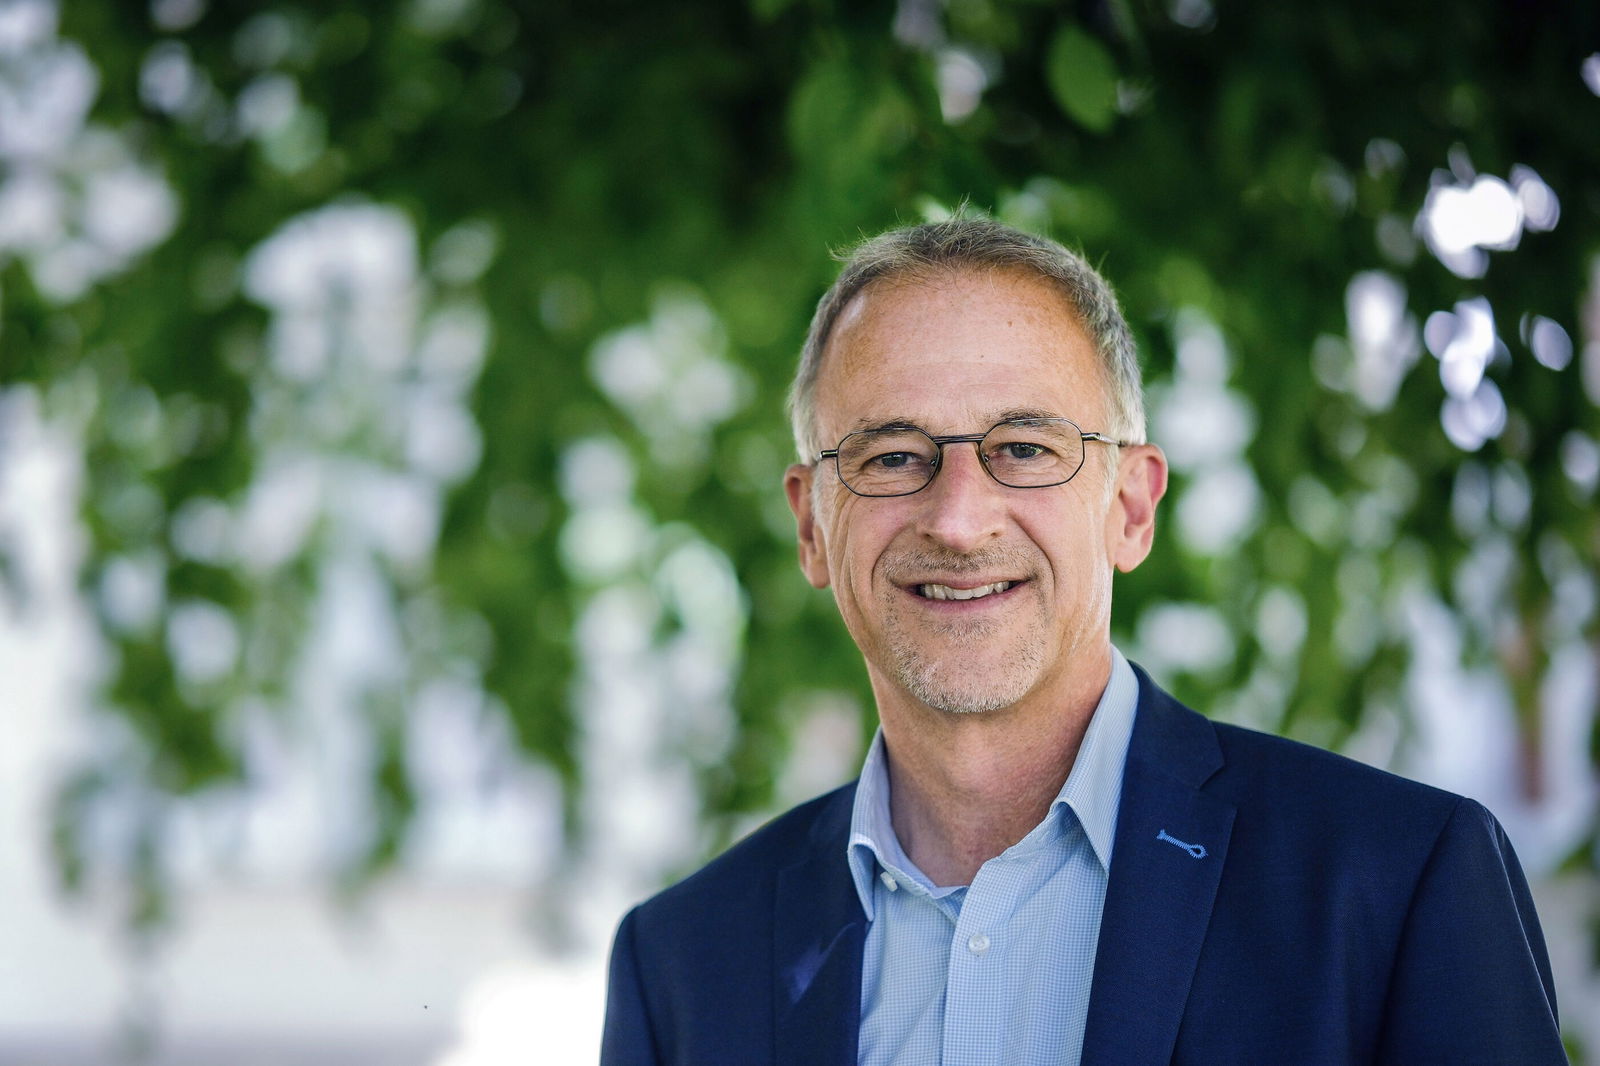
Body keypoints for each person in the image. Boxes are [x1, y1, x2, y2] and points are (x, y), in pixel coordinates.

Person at [599, 217, 1565, 1065]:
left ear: (1132, 508)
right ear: (813, 526)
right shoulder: (681, 965)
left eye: (1024, 447)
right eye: (892, 456)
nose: (961, 519)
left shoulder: (1396, 886)